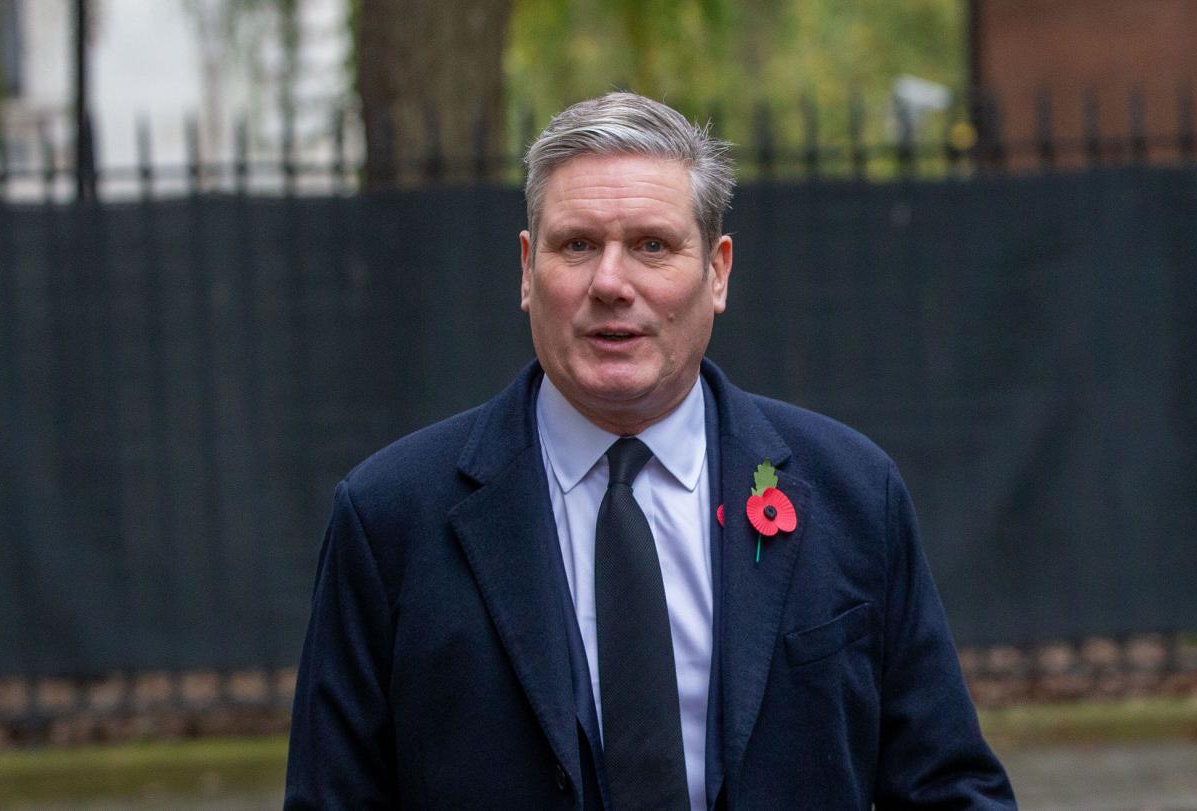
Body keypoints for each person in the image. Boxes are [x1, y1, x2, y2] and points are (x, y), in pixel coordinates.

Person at [284, 92, 1015, 810]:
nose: (610, 282)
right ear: (525, 268)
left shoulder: (851, 492)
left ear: (717, 271)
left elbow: (946, 786)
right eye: (577, 245)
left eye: (651, 246)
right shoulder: (390, 517)